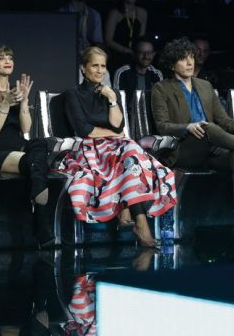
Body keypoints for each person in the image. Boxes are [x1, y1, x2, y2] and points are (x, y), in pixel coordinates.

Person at [57, 46, 177, 248]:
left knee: (130, 153)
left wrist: (112, 100)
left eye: (103, 66)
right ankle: (138, 221)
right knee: (128, 152)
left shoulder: (111, 94)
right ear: (83, 68)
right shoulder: (73, 94)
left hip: (116, 147)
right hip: (88, 148)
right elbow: (84, 130)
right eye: (94, 66)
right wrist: (113, 134)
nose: (99, 70)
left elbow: (119, 125)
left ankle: (129, 213)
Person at [151, 38, 234, 219]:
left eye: (191, 57)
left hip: (211, 150)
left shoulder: (205, 86)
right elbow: (162, 126)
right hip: (183, 149)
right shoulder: (161, 88)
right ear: (172, 65)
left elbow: (226, 122)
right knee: (208, 128)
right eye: (183, 59)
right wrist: (188, 127)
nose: (190, 63)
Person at [0, 44, 54, 247]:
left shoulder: (16, 92)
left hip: (19, 146)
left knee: (39, 144)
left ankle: (39, 207)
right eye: (1, 58)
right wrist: (6, 104)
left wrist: (24, 101)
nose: (7, 61)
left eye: (10, 57)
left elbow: (26, 128)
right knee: (37, 163)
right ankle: (41, 219)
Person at [104, 0, 148, 76]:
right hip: (118, 55)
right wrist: (127, 51)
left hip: (136, 56)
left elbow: (142, 38)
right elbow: (108, 40)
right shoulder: (114, 13)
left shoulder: (142, 13)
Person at [58, 0, 104, 66]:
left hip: (88, 61)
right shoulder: (62, 14)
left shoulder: (94, 15)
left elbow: (98, 43)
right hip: (66, 58)